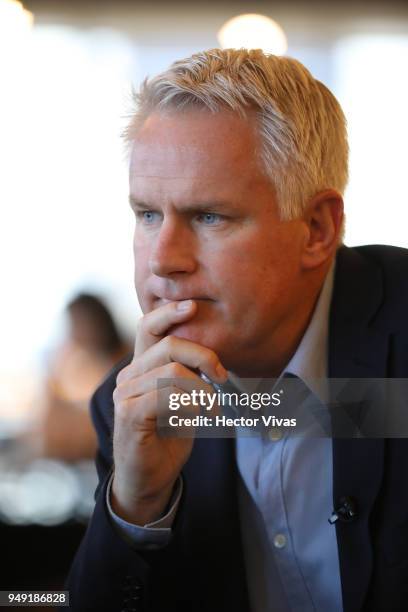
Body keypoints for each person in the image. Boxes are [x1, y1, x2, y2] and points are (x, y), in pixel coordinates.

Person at [66, 49, 408, 611]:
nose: (163, 260)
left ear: (317, 228)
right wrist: (137, 503)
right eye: (147, 214)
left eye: (208, 216)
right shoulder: (128, 405)